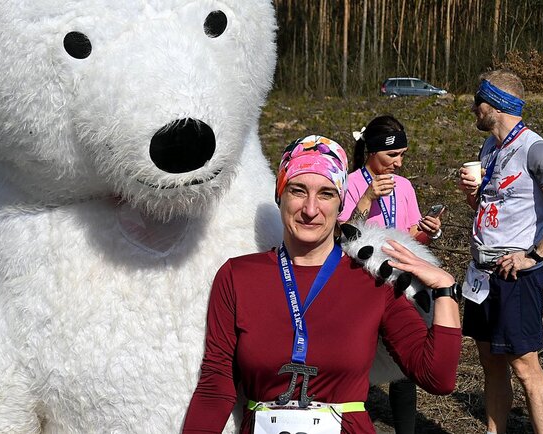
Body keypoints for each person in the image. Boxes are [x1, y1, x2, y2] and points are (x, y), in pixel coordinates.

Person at [184, 135, 462, 433]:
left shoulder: (372, 280)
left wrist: (445, 288)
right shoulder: (238, 276)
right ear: (279, 195)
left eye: (326, 194)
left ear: (341, 202)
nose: (310, 209)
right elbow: (216, 386)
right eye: (298, 190)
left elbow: (438, 378)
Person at [458, 70, 543, 434]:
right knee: (491, 361)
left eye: (478, 100)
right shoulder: (490, 147)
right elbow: (491, 206)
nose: (473, 107)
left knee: (524, 366)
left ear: (496, 104)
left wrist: (534, 255)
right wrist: (473, 195)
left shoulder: (536, 149)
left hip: (515, 274)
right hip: (481, 273)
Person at [338, 115, 444, 433]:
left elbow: (411, 237)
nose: (398, 163)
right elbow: (341, 236)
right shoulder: (349, 184)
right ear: (371, 151)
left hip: (400, 285)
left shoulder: (405, 186)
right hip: (360, 286)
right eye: (392, 155)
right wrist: (367, 198)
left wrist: (428, 231)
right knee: (357, 361)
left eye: (402, 155)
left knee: (404, 363)